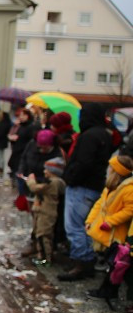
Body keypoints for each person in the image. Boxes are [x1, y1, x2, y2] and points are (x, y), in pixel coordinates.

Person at [57, 103, 113, 282]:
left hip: (82, 187)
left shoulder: (89, 136)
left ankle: (82, 263)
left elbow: (83, 162)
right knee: (85, 226)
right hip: (94, 186)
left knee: (75, 227)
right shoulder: (104, 133)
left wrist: (71, 178)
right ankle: (84, 261)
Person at [25, 152, 66, 266]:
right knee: (41, 233)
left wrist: (30, 180)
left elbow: (35, 188)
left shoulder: (53, 182)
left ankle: (45, 258)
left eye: (46, 170)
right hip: (43, 211)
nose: (44, 171)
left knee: (43, 235)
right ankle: (43, 256)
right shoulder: (57, 182)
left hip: (46, 213)